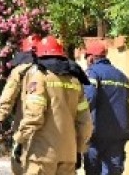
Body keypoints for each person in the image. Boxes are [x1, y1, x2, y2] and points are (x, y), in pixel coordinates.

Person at [12, 36, 93, 175]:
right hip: (68, 154)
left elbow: (34, 116)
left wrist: (19, 141)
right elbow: (85, 123)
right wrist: (79, 149)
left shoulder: (40, 77)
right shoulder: (75, 81)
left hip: (42, 155)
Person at [83, 41, 129, 175]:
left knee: (93, 169)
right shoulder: (122, 76)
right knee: (113, 171)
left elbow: (89, 98)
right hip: (119, 132)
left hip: (97, 132)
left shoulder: (92, 73)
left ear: (91, 58)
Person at [0, 35, 39, 175]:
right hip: (54, 131)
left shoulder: (21, 71)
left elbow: (8, 97)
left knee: (20, 167)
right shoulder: (55, 72)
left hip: (26, 128)